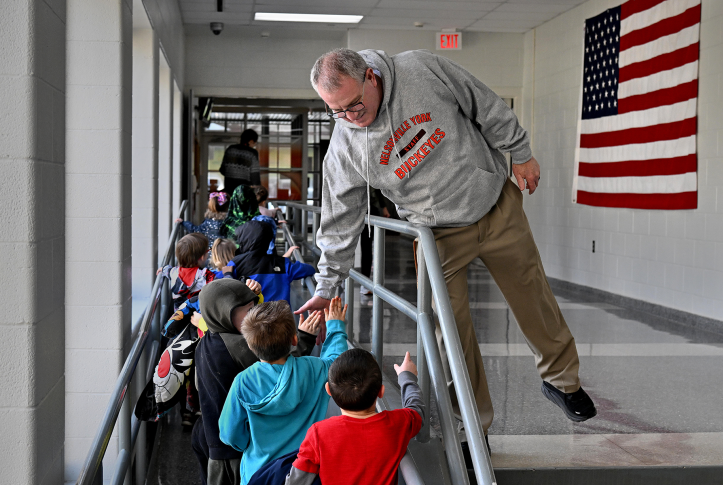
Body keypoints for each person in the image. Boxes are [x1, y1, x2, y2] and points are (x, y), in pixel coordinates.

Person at [298, 48, 596, 441]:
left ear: (371, 76)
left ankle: (562, 380)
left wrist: (519, 152)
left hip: (493, 204)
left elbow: (482, 102)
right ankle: (471, 426)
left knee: (533, 294)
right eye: (336, 111)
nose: (351, 118)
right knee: (448, 330)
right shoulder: (345, 147)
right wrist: (326, 286)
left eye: (354, 105)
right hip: (436, 234)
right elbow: (339, 219)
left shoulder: (418, 69)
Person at [193, 279, 319, 485]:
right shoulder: (238, 345)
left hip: (208, 434)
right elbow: (279, 363)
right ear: (223, 314)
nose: (253, 316)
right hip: (232, 449)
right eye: (247, 311)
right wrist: (304, 337)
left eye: (254, 308)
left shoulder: (206, 341)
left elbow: (199, 386)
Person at [218, 297, 348, 485]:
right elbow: (338, 362)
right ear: (294, 339)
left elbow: (229, 434)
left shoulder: (243, 382)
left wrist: (251, 444)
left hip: (258, 474)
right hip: (304, 472)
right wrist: (335, 326)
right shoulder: (313, 369)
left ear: (251, 345)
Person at [284, 349, 423, 485]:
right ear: (381, 392)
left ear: (328, 390)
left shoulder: (318, 433)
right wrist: (406, 376)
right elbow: (416, 409)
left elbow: (296, 481)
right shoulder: (397, 424)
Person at [230, 220, 316, 304]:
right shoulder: (283, 264)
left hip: (250, 317)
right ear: (268, 240)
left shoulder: (235, 263)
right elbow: (309, 269)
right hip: (281, 316)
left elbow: (220, 283)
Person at [159, 233, 216, 310]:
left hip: (180, 317)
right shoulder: (206, 276)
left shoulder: (173, 272)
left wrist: (162, 269)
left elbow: (167, 270)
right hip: (198, 318)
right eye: (208, 250)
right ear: (202, 257)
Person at [220, 129, 261, 196]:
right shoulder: (252, 153)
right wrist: (257, 192)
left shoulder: (230, 149)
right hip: (244, 192)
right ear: (251, 141)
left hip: (229, 191)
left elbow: (222, 170)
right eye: (254, 143)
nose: (254, 145)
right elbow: (255, 176)